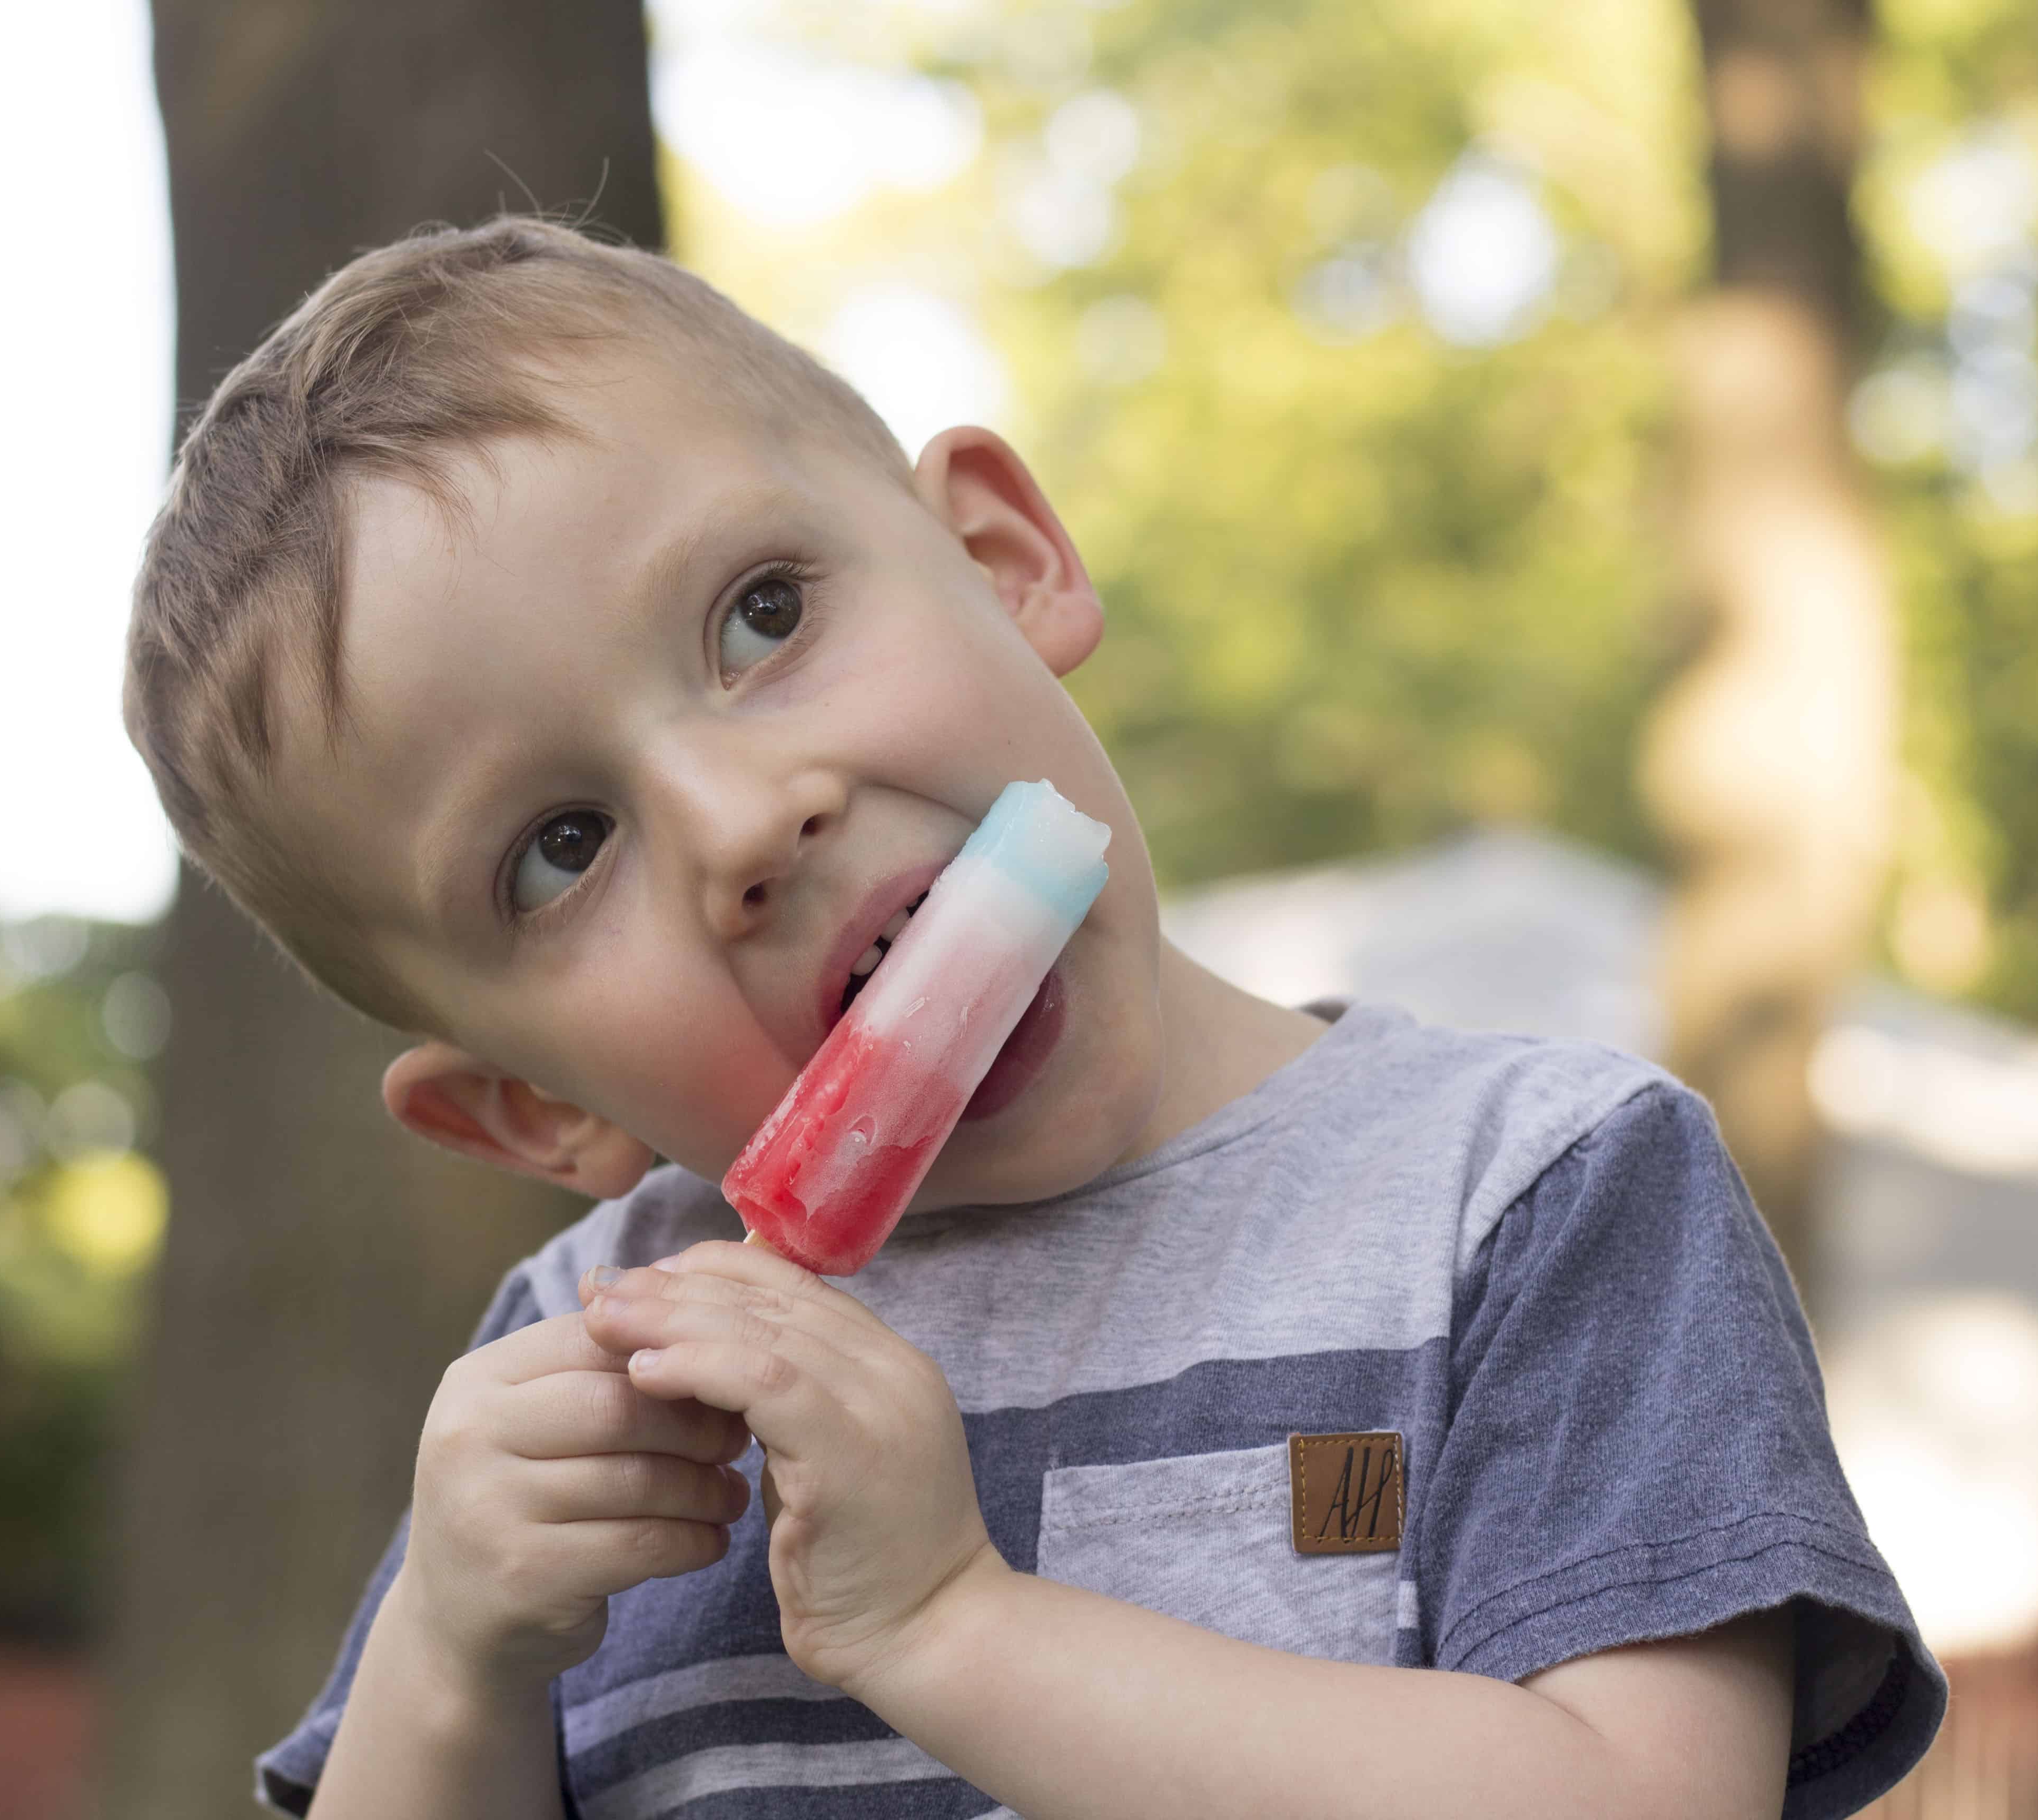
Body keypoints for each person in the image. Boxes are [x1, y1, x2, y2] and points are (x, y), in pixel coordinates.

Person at [124, 216, 1943, 1820]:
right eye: (558, 851)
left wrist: (954, 1626)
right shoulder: (595, 1370)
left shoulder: (1529, 1200)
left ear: (1005, 562)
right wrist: (451, 1661)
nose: (749, 823)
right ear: (537, 1114)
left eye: (762, 616)